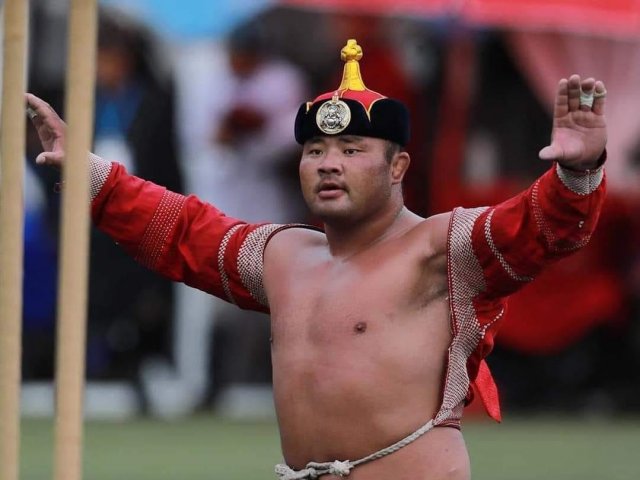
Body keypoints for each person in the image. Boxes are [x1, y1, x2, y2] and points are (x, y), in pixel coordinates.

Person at [27, 38, 607, 480]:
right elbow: (181, 231)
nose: (329, 163)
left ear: (398, 167)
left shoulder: (440, 249)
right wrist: (92, 174)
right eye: (315, 150)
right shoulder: (283, 254)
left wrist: (577, 172)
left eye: (351, 150)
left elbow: (539, 229)